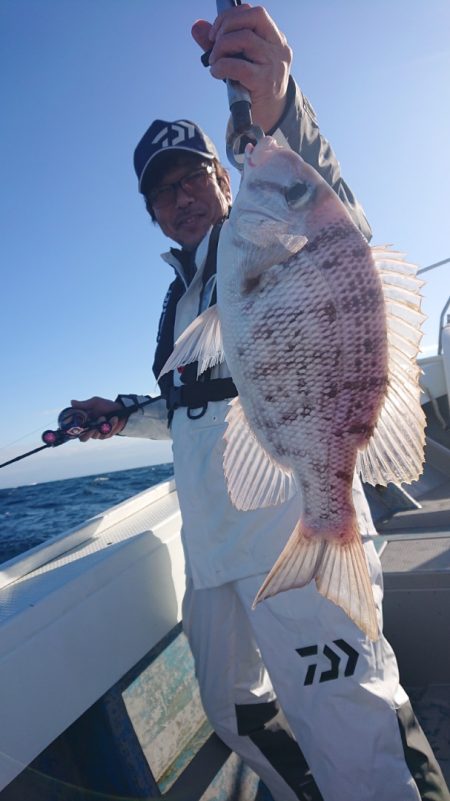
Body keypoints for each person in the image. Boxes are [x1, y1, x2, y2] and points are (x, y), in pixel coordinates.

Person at [72, 6, 449, 801]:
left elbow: (328, 212)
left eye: (191, 175)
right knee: (237, 713)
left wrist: (276, 100)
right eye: (161, 191)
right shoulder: (179, 307)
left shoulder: (276, 228)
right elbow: (191, 407)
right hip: (214, 557)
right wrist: (120, 412)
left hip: (293, 519)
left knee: (360, 730)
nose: (180, 196)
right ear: (151, 214)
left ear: (224, 173)